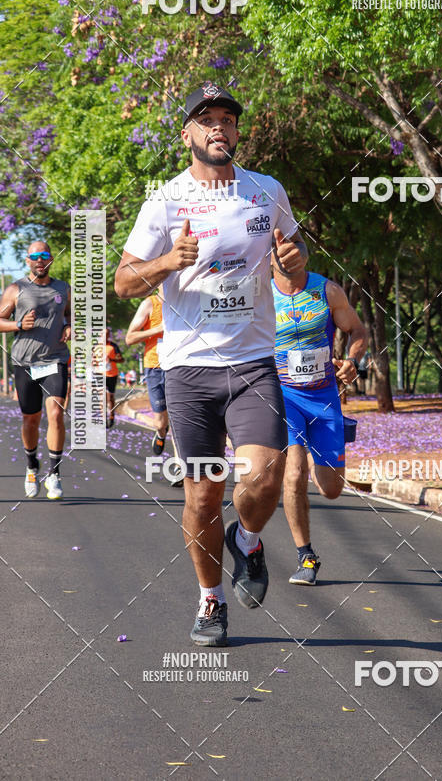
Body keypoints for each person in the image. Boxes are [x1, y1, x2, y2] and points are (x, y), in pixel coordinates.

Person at [115, 82, 307, 646]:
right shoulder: (165, 200)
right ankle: (210, 600)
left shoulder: (265, 190)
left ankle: (247, 539)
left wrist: (293, 264)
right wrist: (170, 260)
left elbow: (291, 270)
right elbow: (125, 282)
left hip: (253, 360)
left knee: (265, 473)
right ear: (188, 135)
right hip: (188, 367)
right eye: (206, 119)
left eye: (226, 117)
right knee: (202, 494)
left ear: (236, 130)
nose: (218, 127)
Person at [272, 260, 367, 585]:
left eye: (295, 248)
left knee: (331, 489)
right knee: (294, 472)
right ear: (269, 258)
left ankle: (317, 453)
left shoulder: (327, 290)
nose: (288, 257)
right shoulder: (258, 294)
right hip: (283, 395)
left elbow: (357, 329)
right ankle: (306, 556)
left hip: (324, 396)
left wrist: (353, 360)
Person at [0, 241, 71, 499]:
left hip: (55, 359)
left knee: (56, 412)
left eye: (44, 256)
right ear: (28, 260)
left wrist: (68, 326)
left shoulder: (63, 288)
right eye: (35, 257)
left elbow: (70, 314)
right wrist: (19, 323)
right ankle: (32, 467)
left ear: (50, 259)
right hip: (25, 362)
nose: (40, 260)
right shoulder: (16, 289)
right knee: (31, 418)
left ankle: (54, 474)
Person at [125, 287, 168, 454]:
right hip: (155, 367)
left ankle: (180, 467)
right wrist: (158, 329)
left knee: (181, 420)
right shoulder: (150, 304)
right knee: (159, 422)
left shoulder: (184, 301)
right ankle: (161, 432)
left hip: (180, 366)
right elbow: (129, 338)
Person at [103, 328, 123, 427]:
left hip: (112, 374)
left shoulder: (113, 346)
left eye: (107, 334)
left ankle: (111, 415)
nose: (105, 336)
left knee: (110, 397)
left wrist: (111, 360)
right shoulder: (95, 347)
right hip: (99, 375)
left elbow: (121, 359)